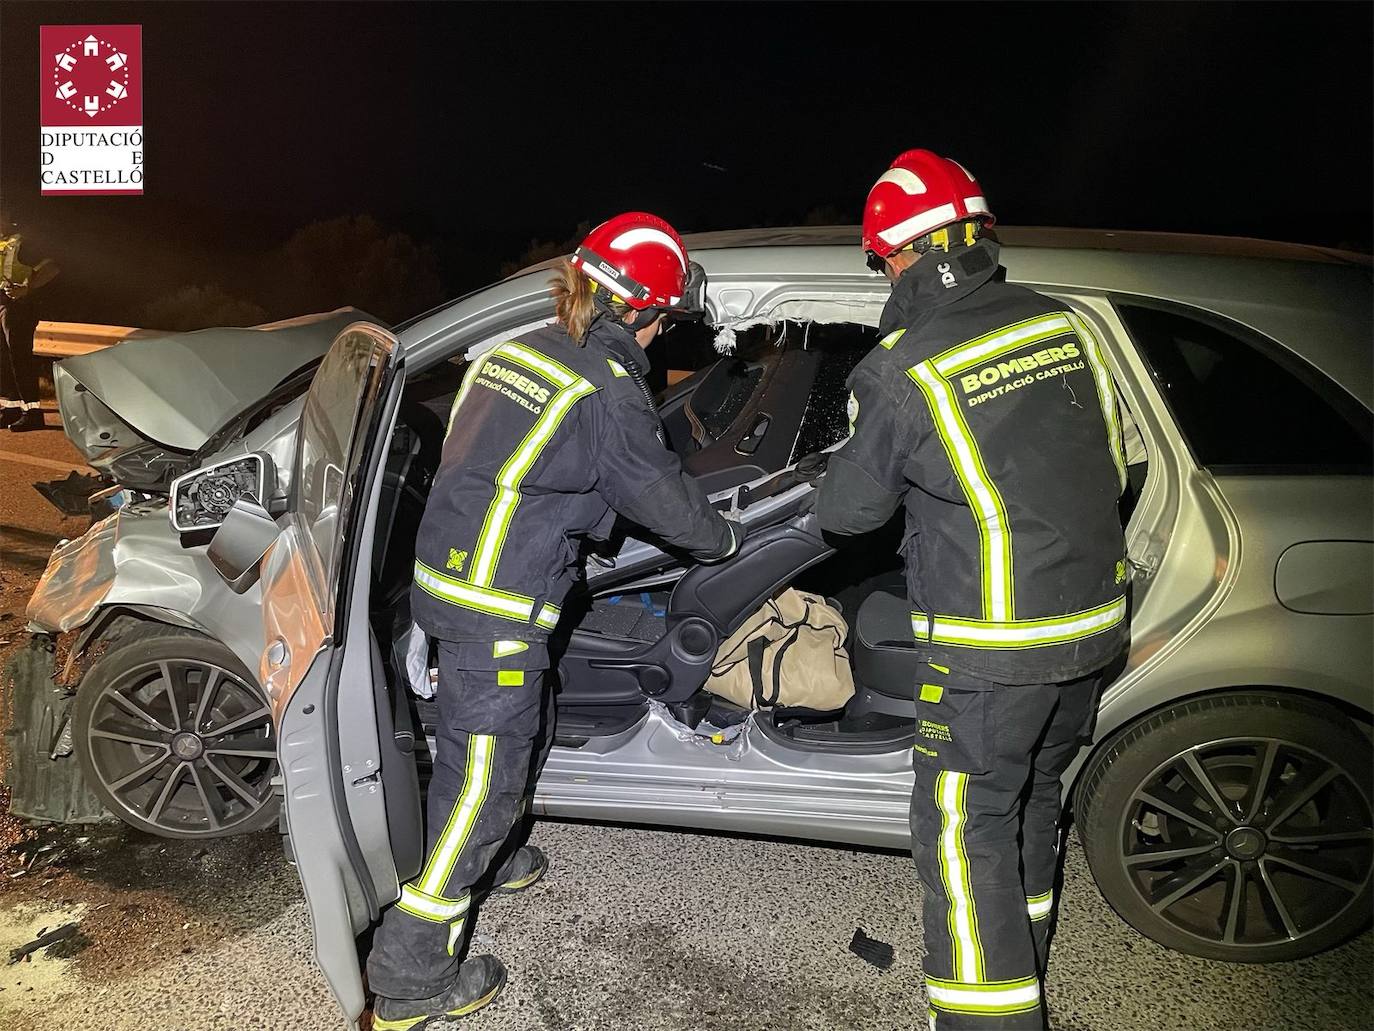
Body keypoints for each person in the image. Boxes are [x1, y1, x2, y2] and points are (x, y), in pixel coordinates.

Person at [367, 212, 740, 1029]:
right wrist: (727, 537)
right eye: (663, 320)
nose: (659, 335)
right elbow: (660, 496)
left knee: (485, 749)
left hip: (444, 586)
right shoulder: (609, 386)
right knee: (486, 784)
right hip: (494, 609)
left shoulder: (514, 351)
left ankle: (484, 858)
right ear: (641, 311)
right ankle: (408, 977)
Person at [813, 150, 1129, 1030]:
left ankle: (988, 1018)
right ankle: (1022, 963)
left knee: (961, 833)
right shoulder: (1066, 327)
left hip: (994, 653)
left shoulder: (903, 366)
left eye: (880, 260)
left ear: (901, 255)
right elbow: (1116, 460)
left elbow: (846, 513)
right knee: (1025, 802)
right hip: (1093, 629)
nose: (882, 274)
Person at [0, 225, 57, 432]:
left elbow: (51, 267)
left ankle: (32, 412)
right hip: (2, 302)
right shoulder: (3, 241)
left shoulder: (23, 241)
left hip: (18, 305)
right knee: (3, 359)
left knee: (18, 357)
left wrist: (27, 288)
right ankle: (11, 408)